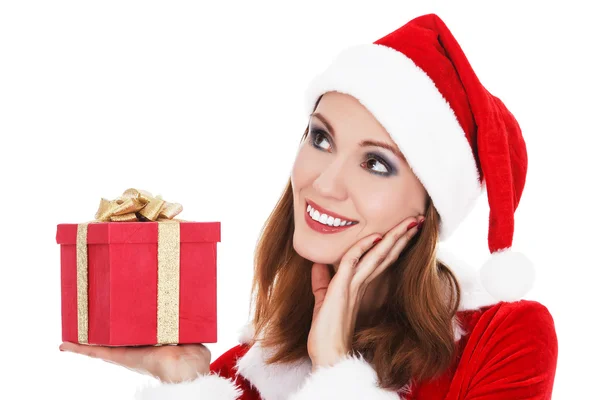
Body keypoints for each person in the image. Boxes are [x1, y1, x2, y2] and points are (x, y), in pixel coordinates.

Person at [59, 13, 558, 399]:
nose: (325, 181)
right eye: (321, 138)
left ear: (429, 206)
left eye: (377, 164)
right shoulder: (244, 373)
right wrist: (189, 379)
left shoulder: (504, 339)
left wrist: (337, 370)